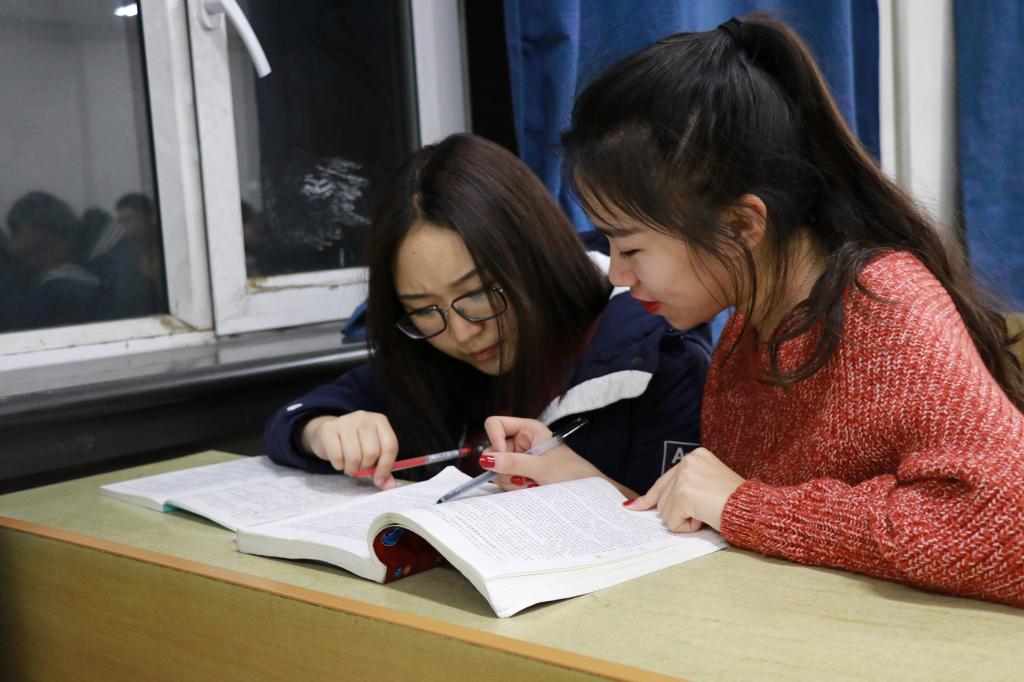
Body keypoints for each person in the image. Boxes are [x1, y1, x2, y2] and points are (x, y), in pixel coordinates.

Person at [482, 14, 1024, 607]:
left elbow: (1008, 529)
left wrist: (745, 506)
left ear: (741, 225)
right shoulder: (750, 321)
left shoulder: (885, 304)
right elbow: (738, 526)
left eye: (631, 247)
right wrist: (585, 483)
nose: (617, 275)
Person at [264, 133, 711, 496]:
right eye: (422, 308)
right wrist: (322, 431)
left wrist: (590, 491)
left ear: (535, 257)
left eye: (476, 294)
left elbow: (684, 542)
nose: (461, 332)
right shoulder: (428, 357)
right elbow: (294, 418)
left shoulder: (659, 358)